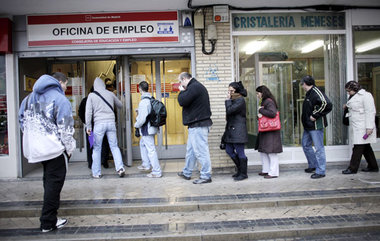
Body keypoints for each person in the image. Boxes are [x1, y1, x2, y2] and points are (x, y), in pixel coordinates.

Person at [19, 72, 75, 233]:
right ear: (59, 82)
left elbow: (21, 119)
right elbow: (66, 129)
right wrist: (69, 149)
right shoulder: (60, 99)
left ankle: (49, 218)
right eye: (65, 84)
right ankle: (48, 222)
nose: (65, 87)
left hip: (35, 148)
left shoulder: (28, 98)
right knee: (54, 184)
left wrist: (33, 138)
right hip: (53, 149)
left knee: (48, 180)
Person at [177, 72, 213, 184]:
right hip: (196, 124)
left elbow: (182, 101)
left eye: (180, 82)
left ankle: (206, 175)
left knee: (201, 152)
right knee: (191, 151)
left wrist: (182, 91)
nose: (180, 84)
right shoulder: (195, 86)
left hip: (199, 125)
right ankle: (187, 172)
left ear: (184, 79)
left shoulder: (194, 87)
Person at [85, 77, 125, 178]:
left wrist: (88, 127)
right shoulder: (110, 93)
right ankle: (120, 168)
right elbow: (120, 105)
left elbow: (88, 113)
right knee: (114, 146)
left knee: (97, 148)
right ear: (103, 85)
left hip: (99, 124)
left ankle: (96, 173)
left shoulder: (91, 95)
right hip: (111, 123)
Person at [342, 81, 379, 174]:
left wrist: (369, 128)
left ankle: (352, 168)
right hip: (357, 125)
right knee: (366, 147)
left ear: (355, 89)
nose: (348, 93)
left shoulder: (366, 96)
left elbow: (370, 112)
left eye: (349, 91)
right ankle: (373, 166)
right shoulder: (353, 96)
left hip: (363, 127)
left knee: (358, 147)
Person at [300, 75, 332, 179]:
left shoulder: (316, 92)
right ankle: (313, 165)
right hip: (308, 126)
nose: (302, 86)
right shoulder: (309, 93)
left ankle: (321, 171)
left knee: (319, 148)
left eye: (302, 84)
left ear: (305, 84)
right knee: (305, 145)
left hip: (316, 126)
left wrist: (315, 115)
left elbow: (327, 104)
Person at [134, 81, 162, 178]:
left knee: (151, 149)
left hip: (147, 129)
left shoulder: (143, 102)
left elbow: (142, 119)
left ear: (140, 89)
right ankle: (146, 164)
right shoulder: (151, 99)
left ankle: (156, 171)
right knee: (142, 144)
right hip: (152, 127)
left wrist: (136, 124)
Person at [255, 85, 283, 179]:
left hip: (271, 131)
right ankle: (266, 170)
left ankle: (273, 172)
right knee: (264, 151)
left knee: (271, 152)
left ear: (262, 93)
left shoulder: (268, 101)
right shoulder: (265, 101)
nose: (257, 95)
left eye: (258, 93)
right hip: (266, 130)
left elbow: (272, 113)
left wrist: (261, 110)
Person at [78, 87, 109, 169]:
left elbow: (80, 112)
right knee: (104, 143)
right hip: (101, 125)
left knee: (90, 144)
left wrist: (86, 122)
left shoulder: (85, 100)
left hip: (90, 127)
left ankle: (91, 163)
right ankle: (104, 161)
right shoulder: (102, 99)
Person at [223, 81, 249, 181]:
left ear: (237, 91)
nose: (229, 93)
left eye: (231, 91)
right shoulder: (234, 100)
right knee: (229, 150)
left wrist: (227, 100)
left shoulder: (240, 100)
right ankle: (239, 170)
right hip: (231, 130)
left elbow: (229, 110)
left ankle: (243, 173)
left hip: (238, 130)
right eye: (228, 91)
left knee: (240, 152)